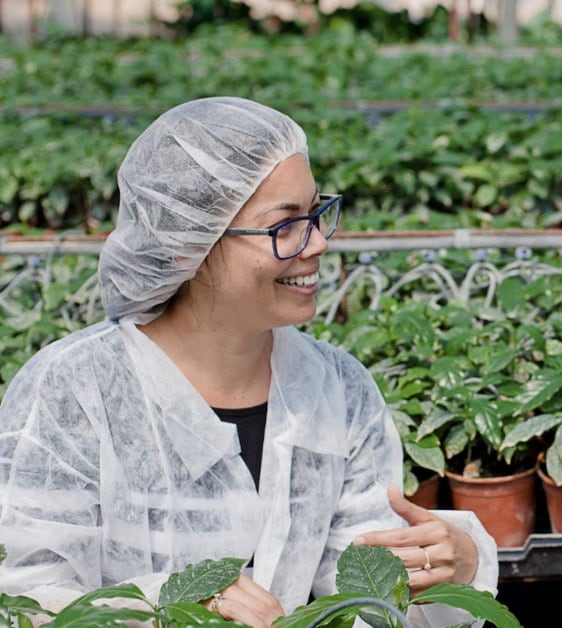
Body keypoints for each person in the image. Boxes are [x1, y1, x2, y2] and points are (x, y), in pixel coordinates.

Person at [0, 97, 498, 627]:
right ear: (187, 244)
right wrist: (167, 608)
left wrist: (455, 569)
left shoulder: (337, 390)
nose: (318, 243)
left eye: (316, 214)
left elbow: (368, 606)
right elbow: (23, 600)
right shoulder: (75, 389)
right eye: (285, 225)